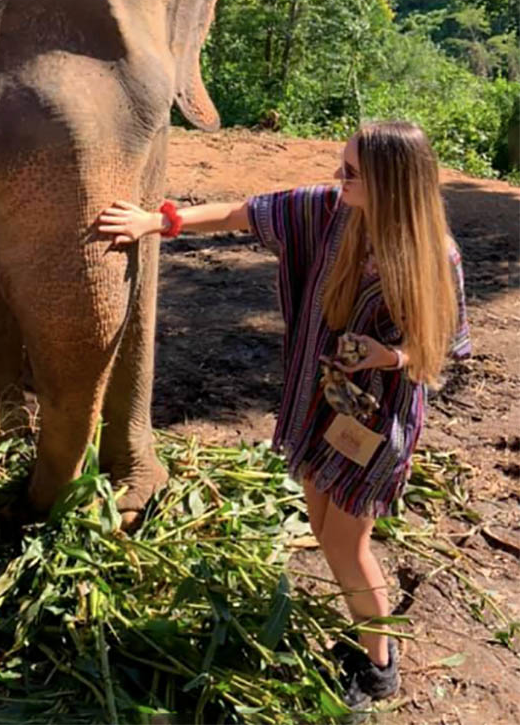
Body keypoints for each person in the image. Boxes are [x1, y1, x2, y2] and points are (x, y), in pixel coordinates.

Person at [96, 120, 471, 711]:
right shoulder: (327, 212)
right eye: (340, 165)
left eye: (351, 173)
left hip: (375, 423)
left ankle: (379, 668)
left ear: (392, 185)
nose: (336, 177)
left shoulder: (434, 256)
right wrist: (156, 224)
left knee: (349, 548)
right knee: (323, 530)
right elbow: (242, 212)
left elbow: (441, 346)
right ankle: (370, 643)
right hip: (318, 403)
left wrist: (386, 355)